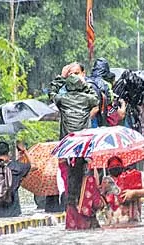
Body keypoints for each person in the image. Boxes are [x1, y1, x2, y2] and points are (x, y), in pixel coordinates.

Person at [49, 64, 101, 214]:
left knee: (70, 172)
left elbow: (52, 92)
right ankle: (86, 200)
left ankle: (71, 202)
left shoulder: (62, 99)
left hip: (68, 143)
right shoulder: (87, 99)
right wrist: (84, 85)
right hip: (83, 142)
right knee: (85, 169)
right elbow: (96, 99)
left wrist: (61, 78)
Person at [98, 156, 144, 226]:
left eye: (117, 165)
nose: (115, 167)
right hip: (113, 225)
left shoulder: (131, 180)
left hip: (132, 224)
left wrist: (133, 193)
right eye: (112, 166)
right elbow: (99, 206)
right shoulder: (106, 183)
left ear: (122, 167)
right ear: (108, 169)